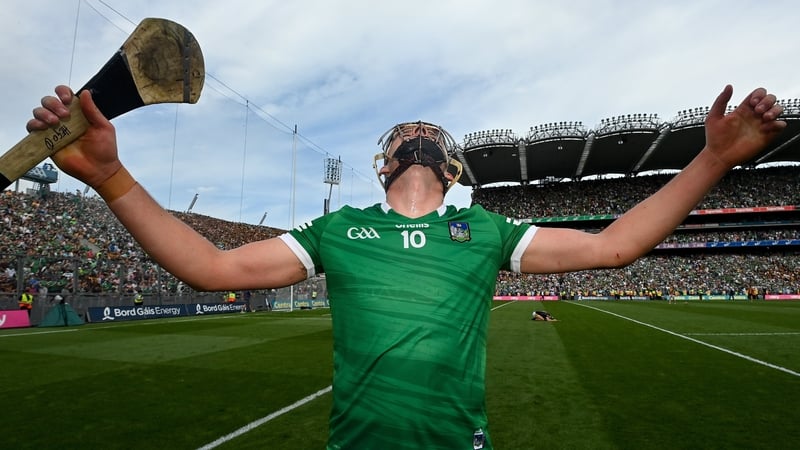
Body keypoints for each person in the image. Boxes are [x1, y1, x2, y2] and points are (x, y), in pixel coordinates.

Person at [27, 84, 785, 449]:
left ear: (451, 166)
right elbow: (208, 267)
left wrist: (712, 158)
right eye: (404, 133)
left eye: (430, 131)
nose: (417, 136)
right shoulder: (340, 228)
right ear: (383, 163)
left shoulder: (484, 228)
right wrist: (111, 179)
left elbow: (615, 247)